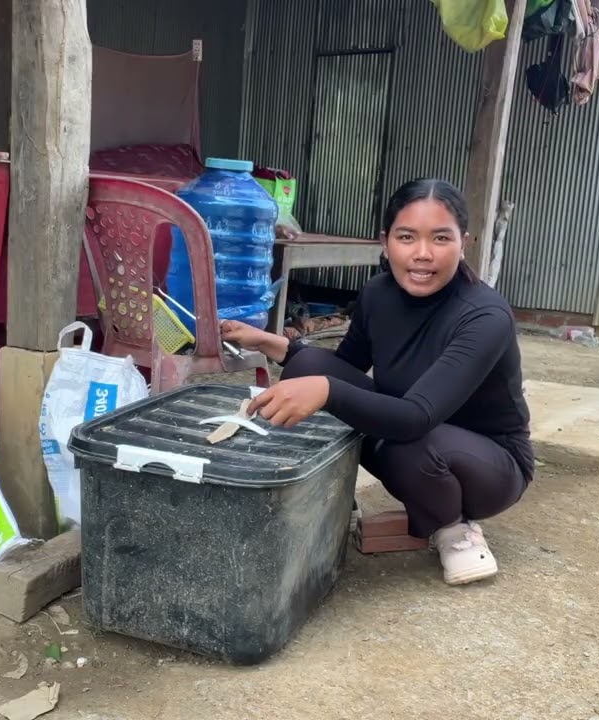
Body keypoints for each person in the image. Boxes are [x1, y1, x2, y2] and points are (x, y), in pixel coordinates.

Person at [221, 178, 533, 586]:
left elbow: (414, 416)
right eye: (407, 237)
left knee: (411, 444)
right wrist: (271, 344)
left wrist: (327, 391)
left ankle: (453, 528)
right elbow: (343, 368)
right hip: (409, 428)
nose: (422, 254)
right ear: (386, 242)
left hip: (489, 466)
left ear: (464, 243)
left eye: (441, 238)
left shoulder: (484, 316)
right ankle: (333, 497)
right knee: (309, 367)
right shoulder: (377, 293)